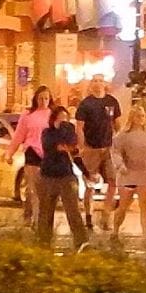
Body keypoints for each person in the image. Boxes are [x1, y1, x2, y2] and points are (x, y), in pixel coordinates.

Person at [36, 105, 89, 249]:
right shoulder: (47, 132)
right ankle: (43, 241)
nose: (64, 121)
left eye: (66, 118)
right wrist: (60, 134)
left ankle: (81, 241)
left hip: (66, 175)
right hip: (48, 175)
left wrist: (86, 173)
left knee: (73, 210)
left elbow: (72, 147)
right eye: (61, 117)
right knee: (46, 212)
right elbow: (53, 147)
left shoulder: (69, 129)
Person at [111, 103, 146, 246]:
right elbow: (115, 152)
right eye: (138, 116)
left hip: (144, 174)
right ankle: (115, 231)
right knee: (124, 206)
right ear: (132, 118)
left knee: (144, 205)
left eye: (142, 116)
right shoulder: (123, 136)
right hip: (128, 174)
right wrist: (120, 166)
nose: (141, 118)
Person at [75, 78, 122, 231]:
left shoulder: (112, 102)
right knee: (90, 183)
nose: (97, 83)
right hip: (91, 148)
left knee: (113, 181)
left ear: (104, 84)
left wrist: (118, 142)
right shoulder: (86, 104)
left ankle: (106, 215)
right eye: (94, 80)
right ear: (91, 85)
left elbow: (117, 124)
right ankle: (88, 216)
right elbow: (79, 127)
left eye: (100, 80)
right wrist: (82, 147)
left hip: (107, 147)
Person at [6, 86, 54, 226]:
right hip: (32, 151)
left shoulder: (53, 114)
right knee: (32, 187)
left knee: (45, 189)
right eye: (41, 98)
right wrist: (10, 152)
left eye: (46, 98)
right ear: (36, 99)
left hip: (48, 153)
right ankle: (32, 218)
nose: (43, 101)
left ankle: (39, 217)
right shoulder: (28, 115)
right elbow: (18, 136)